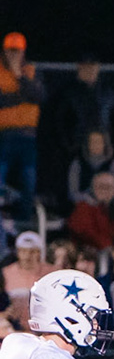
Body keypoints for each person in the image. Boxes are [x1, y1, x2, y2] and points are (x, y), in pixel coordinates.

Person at [46, 55, 114, 202]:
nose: (89, 70)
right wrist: (69, 146)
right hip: (76, 151)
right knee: (75, 188)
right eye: (85, 67)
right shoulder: (69, 93)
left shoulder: (107, 92)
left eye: (92, 66)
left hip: (103, 152)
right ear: (79, 69)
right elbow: (59, 122)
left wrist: (113, 144)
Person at [0, 33, 45, 219]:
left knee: (29, 180)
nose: (14, 55)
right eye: (10, 51)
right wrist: (23, 97)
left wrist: (20, 77)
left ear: (23, 52)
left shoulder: (31, 70)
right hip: (4, 135)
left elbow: (39, 96)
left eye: (17, 51)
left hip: (28, 136)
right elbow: (2, 101)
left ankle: (24, 221)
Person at [69, 167, 114, 257]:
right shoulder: (83, 207)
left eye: (108, 187)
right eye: (101, 187)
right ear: (92, 189)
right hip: (90, 254)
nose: (104, 191)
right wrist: (108, 246)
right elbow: (83, 231)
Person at [65, 128, 114, 211]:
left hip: (108, 211)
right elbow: (72, 194)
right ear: (87, 144)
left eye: (99, 142)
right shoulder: (77, 164)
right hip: (83, 209)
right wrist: (86, 198)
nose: (95, 145)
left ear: (105, 144)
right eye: (92, 142)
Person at [3, 232, 45, 325]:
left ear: (39, 253)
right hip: (14, 327)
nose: (27, 256)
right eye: (23, 251)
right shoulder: (6, 273)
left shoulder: (50, 273)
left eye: (32, 252)